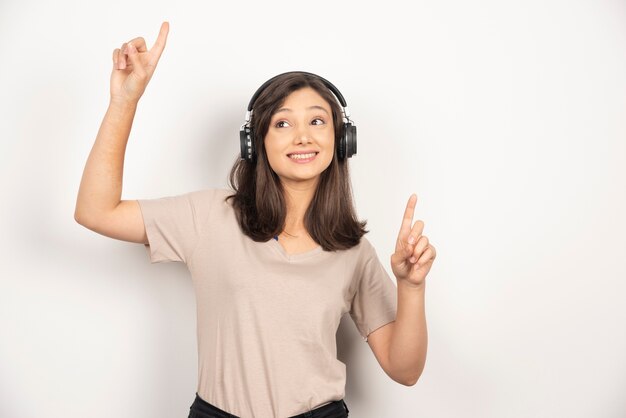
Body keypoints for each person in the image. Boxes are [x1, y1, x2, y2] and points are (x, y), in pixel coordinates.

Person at [74, 21, 436, 418]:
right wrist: (124, 101)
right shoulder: (210, 216)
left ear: (341, 139)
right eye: (282, 123)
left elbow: (405, 371)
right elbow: (96, 211)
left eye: (317, 121)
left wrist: (411, 287)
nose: (302, 136)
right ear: (256, 142)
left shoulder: (352, 251)